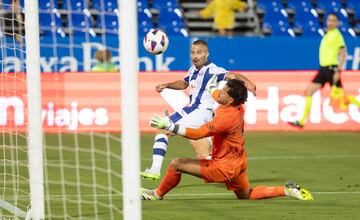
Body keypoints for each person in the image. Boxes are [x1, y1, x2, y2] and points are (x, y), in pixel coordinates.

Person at [141, 78, 313, 201]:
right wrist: (211, 88)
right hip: (239, 163)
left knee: (176, 164)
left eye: (223, 91)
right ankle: (286, 190)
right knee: (246, 195)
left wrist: (171, 126)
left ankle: (156, 194)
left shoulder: (226, 118)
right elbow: (218, 96)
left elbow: (199, 133)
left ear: (229, 99)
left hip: (223, 167)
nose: (219, 92)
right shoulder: (236, 104)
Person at [141, 40, 256, 181]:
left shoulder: (212, 69)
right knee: (203, 154)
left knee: (163, 129)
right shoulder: (193, 70)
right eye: (193, 52)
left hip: (200, 112)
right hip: (194, 111)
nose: (195, 56)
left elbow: (233, 75)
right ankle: (229, 172)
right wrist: (167, 85)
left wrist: (248, 83)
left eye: (199, 52)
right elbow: (184, 83)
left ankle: (154, 169)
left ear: (207, 54)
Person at [289, 13, 360, 129]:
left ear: (337, 23)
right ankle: (302, 121)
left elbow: (343, 55)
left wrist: (338, 71)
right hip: (323, 70)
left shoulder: (337, 35)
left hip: (332, 70)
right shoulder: (327, 35)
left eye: (333, 20)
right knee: (309, 91)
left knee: (343, 99)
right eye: (329, 20)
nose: (330, 22)